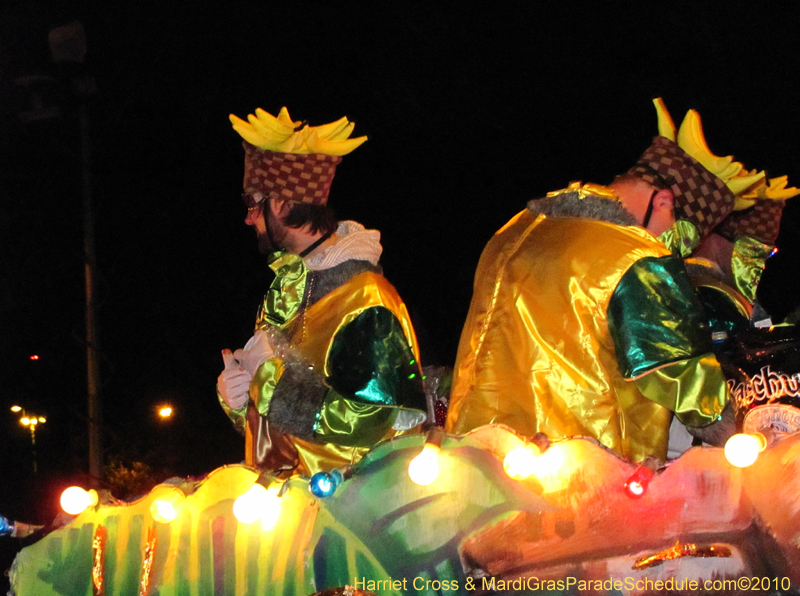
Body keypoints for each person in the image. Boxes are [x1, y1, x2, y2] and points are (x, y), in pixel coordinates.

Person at [445, 103, 764, 463]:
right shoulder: (634, 252)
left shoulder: (516, 230)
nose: (670, 251)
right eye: (675, 237)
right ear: (663, 202)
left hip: (476, 456)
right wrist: (734, 431)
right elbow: (678, 370)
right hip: (581, 470)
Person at [217, 106, 427, 477]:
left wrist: (268, 380)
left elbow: (372, 419)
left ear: (280, 203)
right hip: (283, 510)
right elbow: (277, 428)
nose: (248, 217)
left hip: (351, 512)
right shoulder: (283, 291)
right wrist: (239, 398)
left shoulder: (366, 297)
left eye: (252, 203)